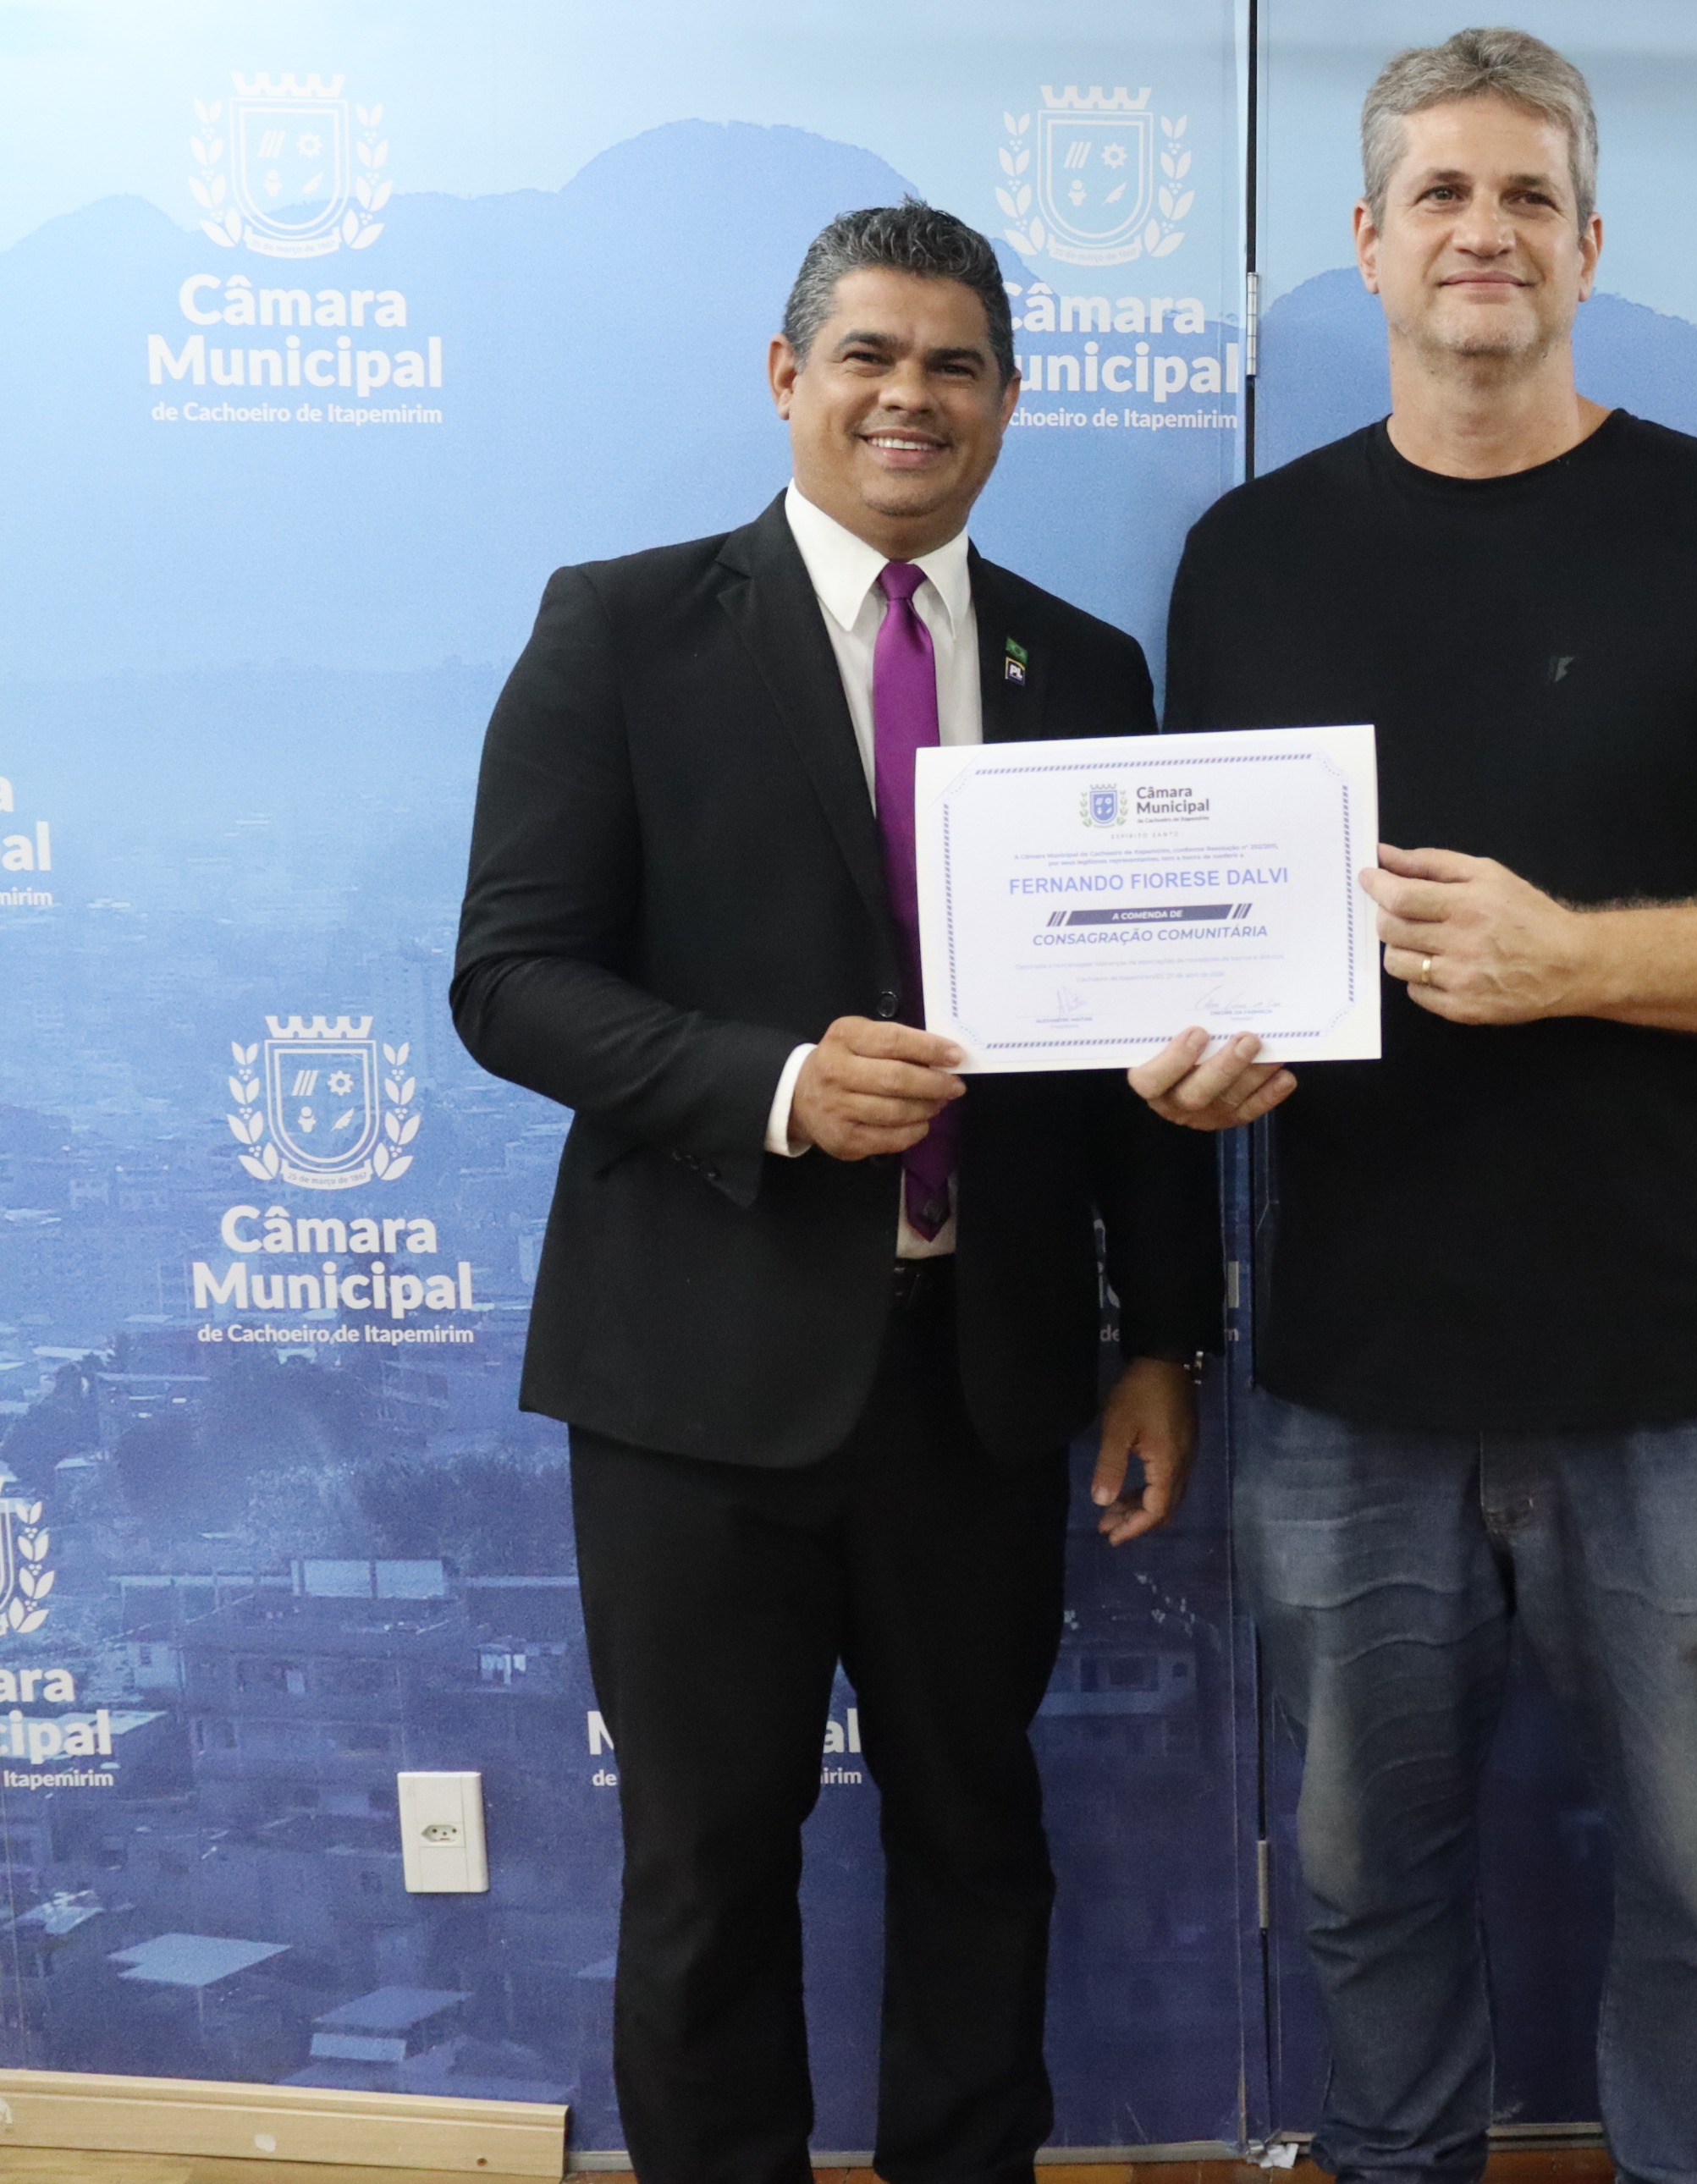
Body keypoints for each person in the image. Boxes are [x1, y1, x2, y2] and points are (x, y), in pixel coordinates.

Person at [1132, 28, 1697, 2184]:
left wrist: (1572, 956)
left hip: (1673, 1370)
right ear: (1366, 241)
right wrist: (1186, 1069)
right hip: (1351, 1373)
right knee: (1358, 1879)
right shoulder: (1245, 556)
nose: (1482, 232)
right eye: (1442, 194)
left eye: (1525, 197)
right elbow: (1205, 938)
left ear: (1589, 243)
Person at [449, 201, 1217, 2184]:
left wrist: (1164, 1338)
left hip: (979, 1376)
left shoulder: (1083, 665)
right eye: (869, 354)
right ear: (788, 376)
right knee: (706, 1868)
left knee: (981, 1838)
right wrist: (775, 1087)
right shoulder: (621, 629)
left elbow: (1135, 1051)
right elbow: (510, 979)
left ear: (1009, 403)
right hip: (692, 1386)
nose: (909, 397)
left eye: (955, 365)